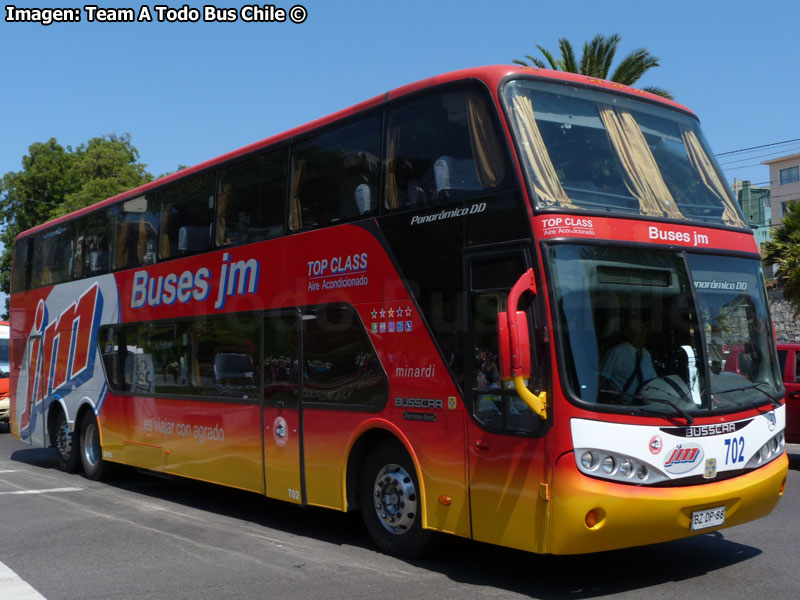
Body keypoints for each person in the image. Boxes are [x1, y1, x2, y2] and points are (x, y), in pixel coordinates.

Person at [600, 315, 657, 401]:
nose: (645, 333)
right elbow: (602, 380)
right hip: (620, 407)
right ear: (629, 332)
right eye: (641, 329)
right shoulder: (617, 352)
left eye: (645, 329)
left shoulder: (646, 354)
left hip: (642, 406)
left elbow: (653, 381)